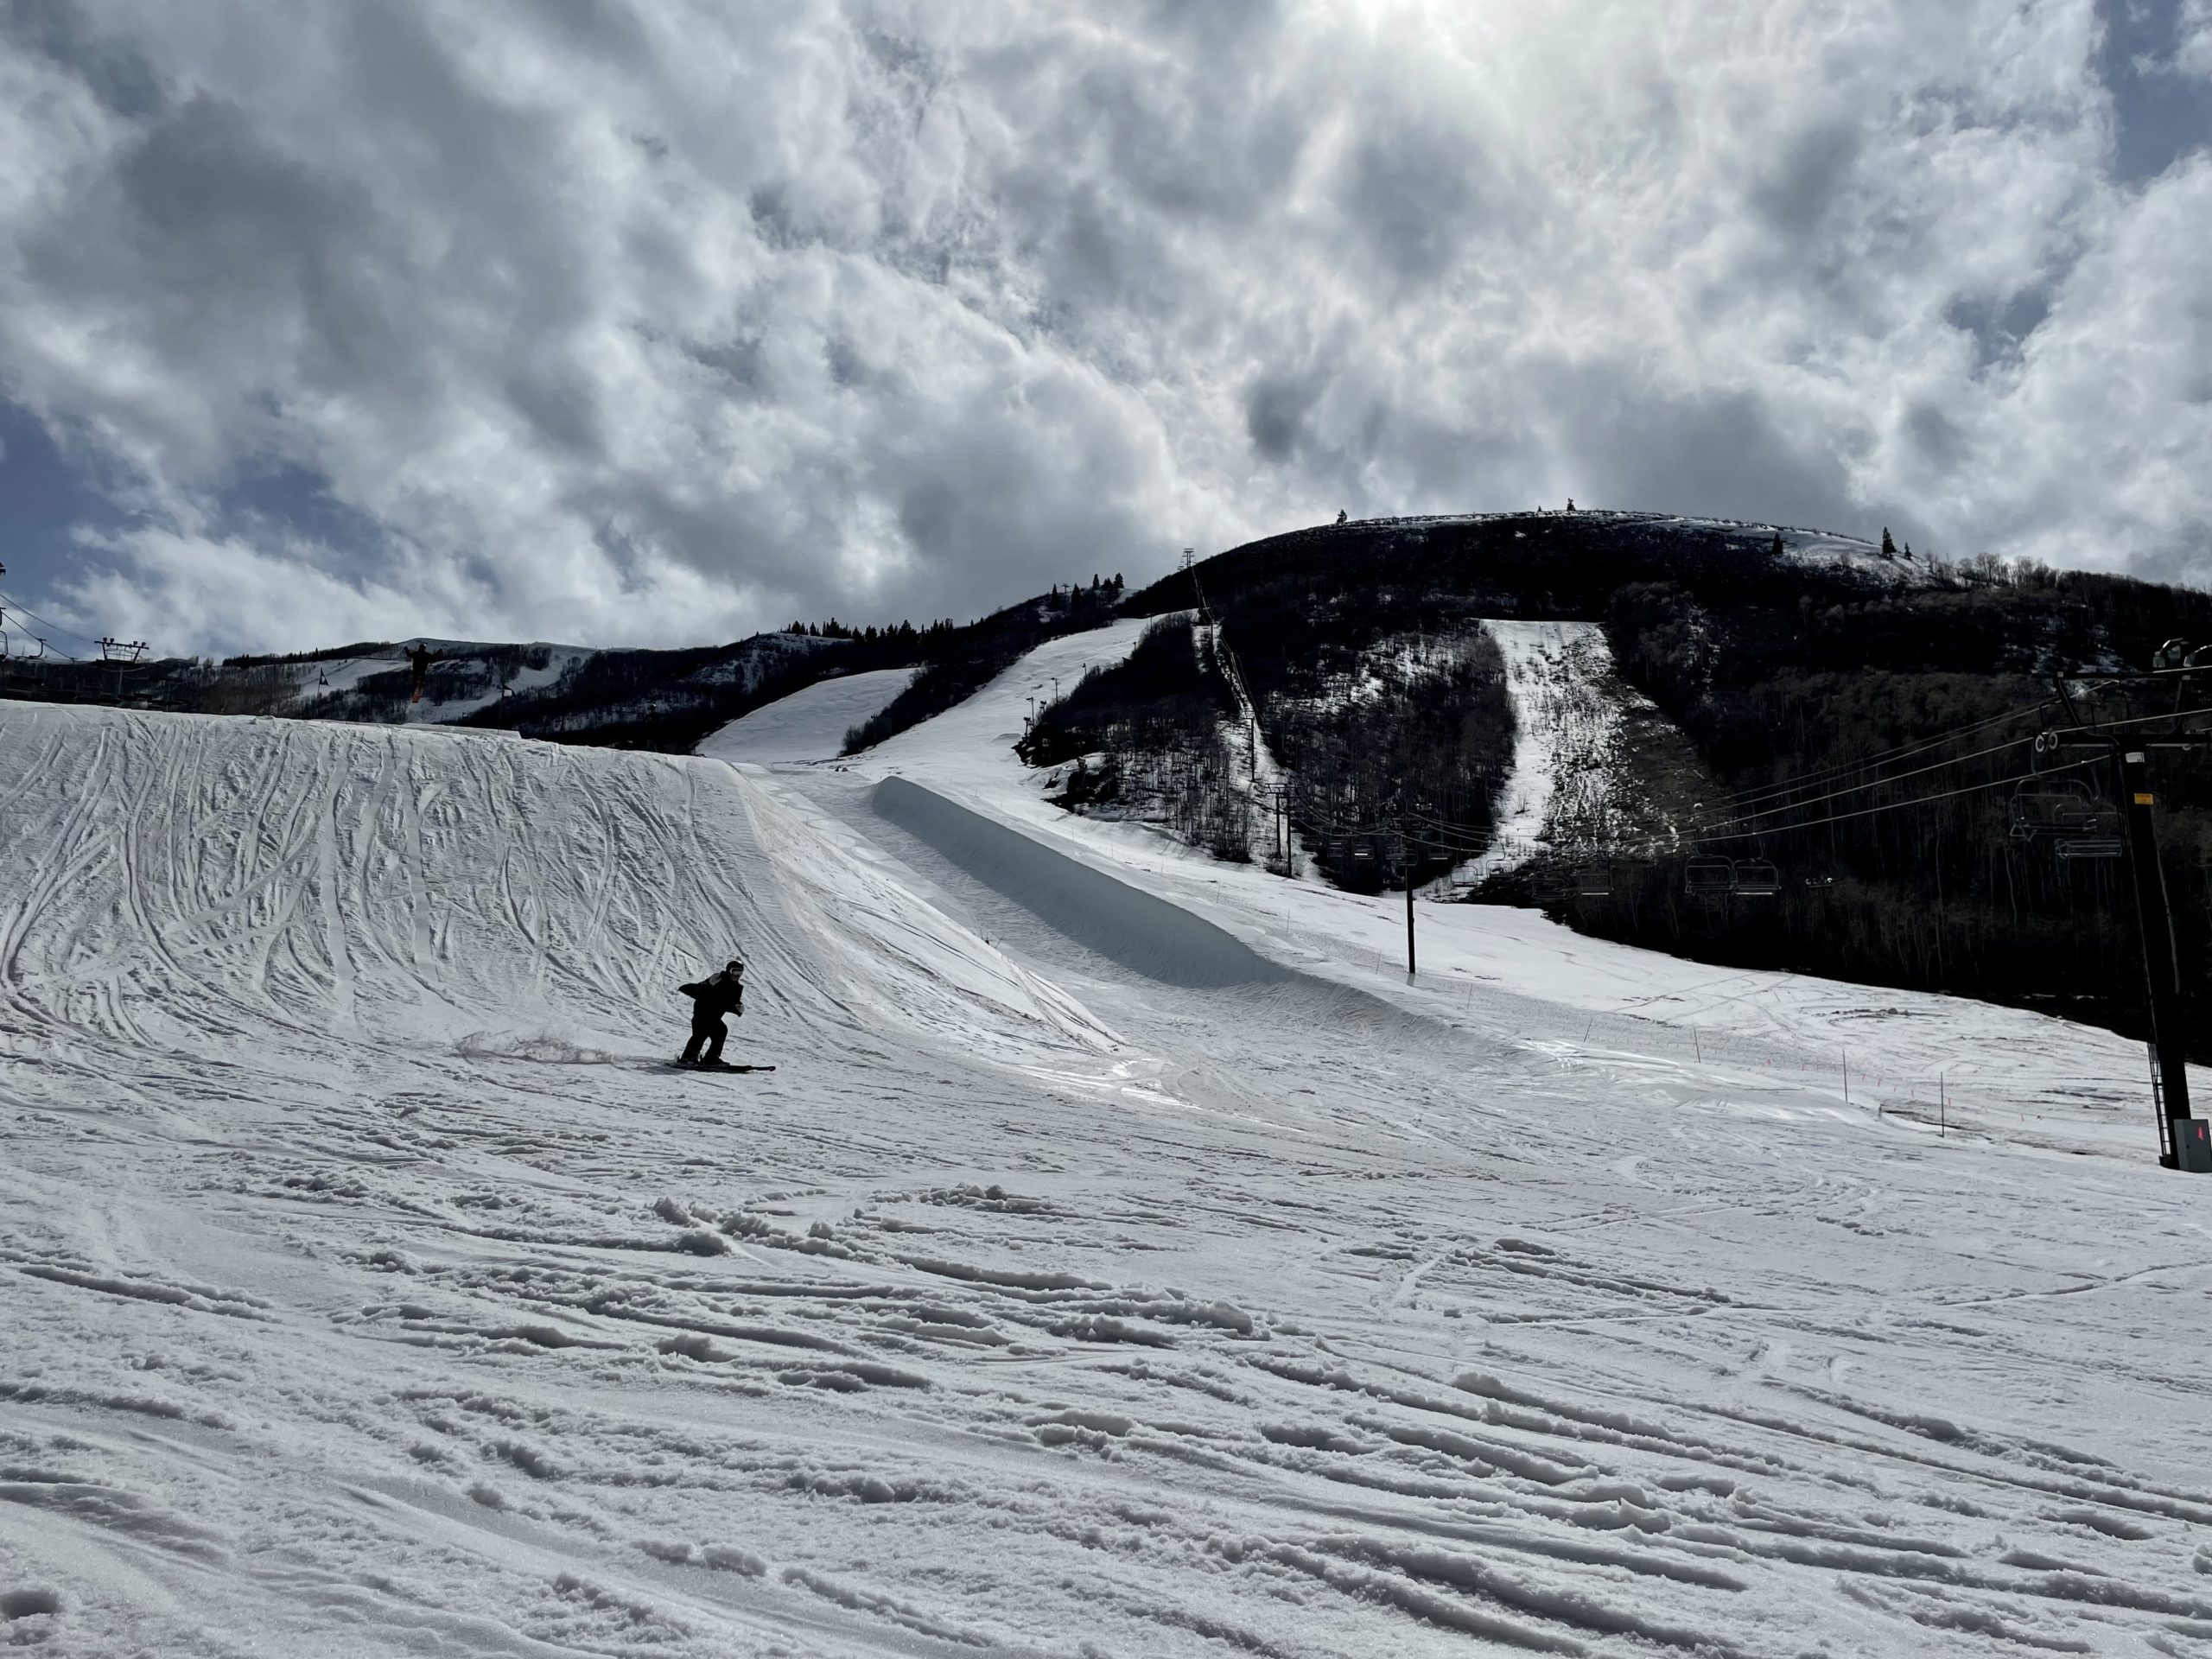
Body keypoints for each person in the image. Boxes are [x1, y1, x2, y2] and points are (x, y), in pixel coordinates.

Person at [678, 959, 746, 1066]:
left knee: (716, 1032)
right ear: (729, 971)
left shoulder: (737, 988)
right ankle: (690, 1057)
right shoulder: (718, 979)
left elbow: (727, 1003)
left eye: (740, 973)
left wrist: (737, 1008)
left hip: (714, 1016)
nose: (737, 976)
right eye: (735, 972)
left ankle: (709, 1058)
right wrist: (709, 984)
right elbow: (699, 991)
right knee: (704, 1033)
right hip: (702, 1013)